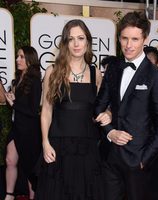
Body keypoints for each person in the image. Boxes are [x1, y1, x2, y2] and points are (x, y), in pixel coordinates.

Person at [95, 11, 158, 200]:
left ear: (145, 39)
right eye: (124, 38)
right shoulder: (113, 67)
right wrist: (109, 131)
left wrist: (144, 159)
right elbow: (98, 107)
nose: (128, 45)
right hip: (110, 157)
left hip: (138, 161)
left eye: (135, 39)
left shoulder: (156, 76)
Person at [35, 19, 110, 200]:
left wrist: (108, 113)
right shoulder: (52, 71)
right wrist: (45, 142)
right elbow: (46, 110)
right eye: (71, 39)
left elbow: (101, 107)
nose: (76, 44)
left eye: (81, 38)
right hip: (58, 146)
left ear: (88, 41)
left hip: (87, 147)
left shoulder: (95, 73)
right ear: (65, 43)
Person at [4, 46, 42, 200]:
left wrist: (14, 104)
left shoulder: (35, 81)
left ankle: (33, 196)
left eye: (21, 57)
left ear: (29, 59)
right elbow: (17, 106)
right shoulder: (17, 79)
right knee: (9, 160)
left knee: (29, 168)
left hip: (29, 131)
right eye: (17, 56)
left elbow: (33, 111)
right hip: (16, 128)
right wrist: (10, 99)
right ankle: (9, 195)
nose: (17, 59)